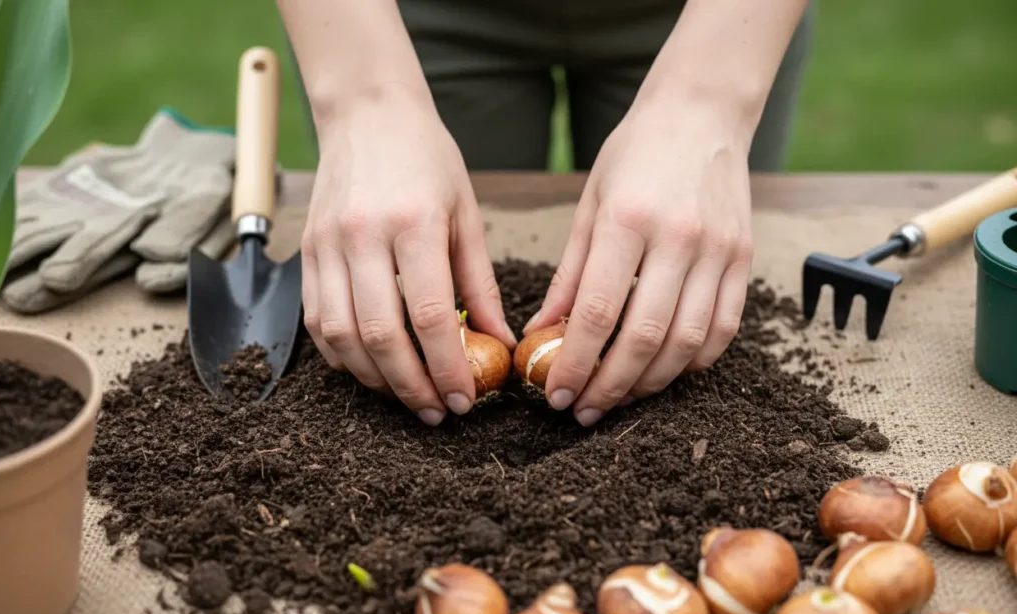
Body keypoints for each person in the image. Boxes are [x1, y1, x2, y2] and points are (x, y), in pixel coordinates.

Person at [277, 0, 814, 428]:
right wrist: (361, 98)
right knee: (405, 263)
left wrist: (712, 98)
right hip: (394, 20)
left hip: (722, 19)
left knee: (683, 273)